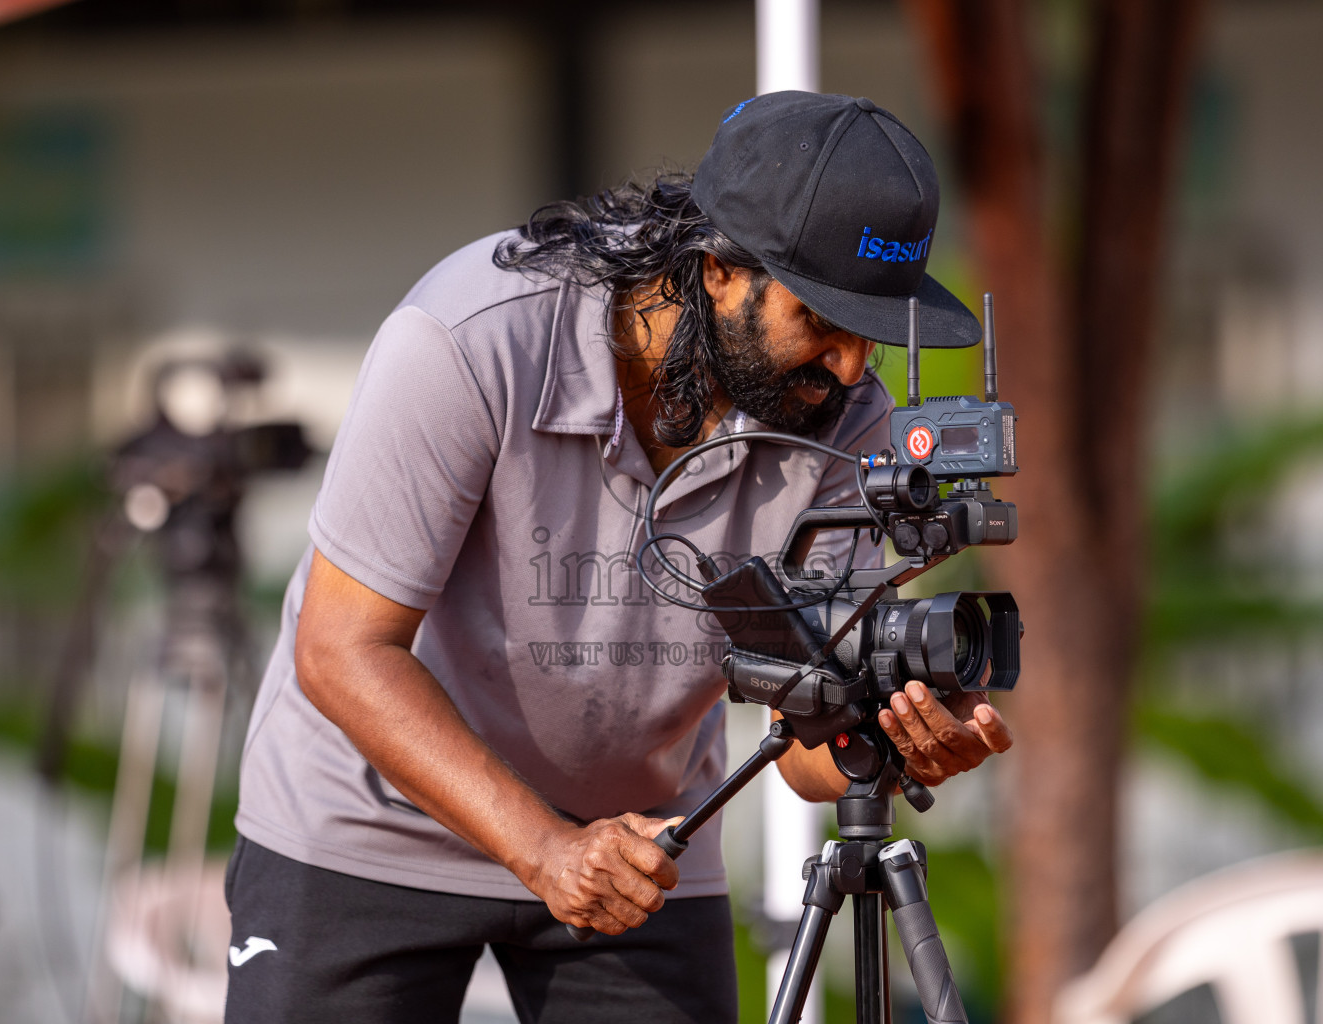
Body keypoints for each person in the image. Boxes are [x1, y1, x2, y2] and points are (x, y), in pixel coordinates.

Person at [225, 91, 1013, 1024]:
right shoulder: (472, 339)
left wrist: (886, 746)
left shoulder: (847, 423)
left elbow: (808, 743)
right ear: (719, 269)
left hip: (642, 851)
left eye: (872, 331)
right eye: (824, 319)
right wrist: (544, 850)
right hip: (365, 832)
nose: (849, 368)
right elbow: (341, 649)